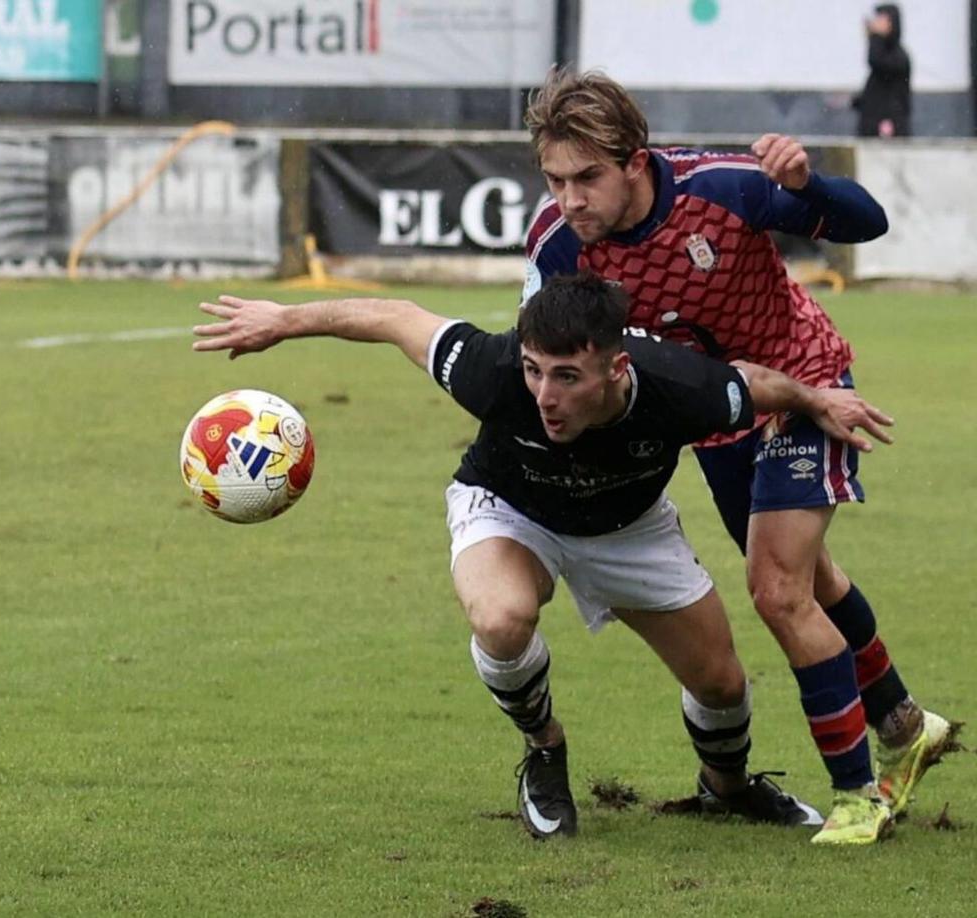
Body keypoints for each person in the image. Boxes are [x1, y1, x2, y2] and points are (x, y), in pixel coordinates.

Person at [191, 271, 897, 842]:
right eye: (535, 372)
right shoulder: (493, 372)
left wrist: (816, 399)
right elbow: (397, 316)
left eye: (566, 377)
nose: (544, 396)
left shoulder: (681, 386)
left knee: (721, 685)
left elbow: (755, 384)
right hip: (509, 509)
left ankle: (727, 788)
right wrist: (282, 320)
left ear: (617, 368)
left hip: (630, 529)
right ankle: (544, 748)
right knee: (501, 618)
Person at [520, 67, 955, 845]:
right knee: (812, 581)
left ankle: (860, 797)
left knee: (777, 588)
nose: (570, 199)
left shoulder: (722, 187)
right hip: (719, 417)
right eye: (554, 180)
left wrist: (809, 184)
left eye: (587, 177)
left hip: (805, 383)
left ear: (633, 159)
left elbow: (869, 223)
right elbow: (549, 359)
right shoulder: (557, 248)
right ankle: (903, 724)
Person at [854, 5, 912, 138]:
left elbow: (876, 61)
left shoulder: (898, 57)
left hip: (888, 128)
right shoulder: (889, 55)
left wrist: (876, 37)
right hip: (874, 126)